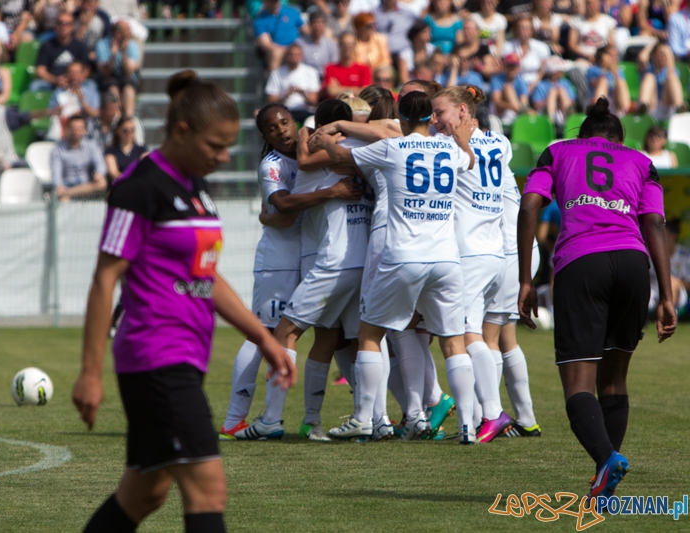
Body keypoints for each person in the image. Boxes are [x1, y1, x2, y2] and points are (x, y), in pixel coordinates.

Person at [72, 80, 295, 533]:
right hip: (156, 357)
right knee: (207, 490)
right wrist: (90, 373)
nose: (224, 156)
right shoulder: (138, 188)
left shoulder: (197, 188)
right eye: (215, 145)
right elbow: (104, 280)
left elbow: (206, 276)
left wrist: (263, 339)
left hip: (186, 357)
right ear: (181, 132)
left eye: (229, 146)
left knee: (145, 492)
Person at [517, 97, 676, 499]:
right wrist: (667, 295)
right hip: (633, 264)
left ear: (583, 135)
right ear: (618, 140)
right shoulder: (641, 161)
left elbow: (530, 205)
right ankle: (605, 478)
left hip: (581, 262)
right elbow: (654, 222)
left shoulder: (557, 151)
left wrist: (526, 280)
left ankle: (606, 459)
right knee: (615, 378)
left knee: (578, 383)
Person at [316, 90, 478, 442]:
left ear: (401, 118)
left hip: (403, 256)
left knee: (369, 335)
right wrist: (463, 142)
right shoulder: (449, 149)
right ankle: (468, 427)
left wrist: (325, 141)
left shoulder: (393, 147)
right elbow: (470, 162)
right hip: (446, 259)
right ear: (430, 118)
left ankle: (364, 418)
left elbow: (342, 157)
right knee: (454, 342)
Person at [219, 102, 361, 441]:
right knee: (266, 332)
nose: (281, 130)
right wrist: (331, 192)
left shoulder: (313, 150)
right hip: (280, 259)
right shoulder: (272, 164)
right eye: (272, 128)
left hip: (315, 254)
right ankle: (234, 420)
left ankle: (363, 414)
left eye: (284, 122)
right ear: (265, 136)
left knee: (337, 335)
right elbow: (281, 208)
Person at [431, 85, 514, 443]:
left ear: (462, 111)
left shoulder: (450, 148)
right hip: (494, 252)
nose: (434, 120)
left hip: (470, 253)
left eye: (440, 113)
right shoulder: (501, 143)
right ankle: (484, 416)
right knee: (475, 335)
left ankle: (492, 413)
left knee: (465, 337)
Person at [474, 103, 541, 438]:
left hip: (508, 250)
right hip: (523, 249)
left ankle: (491, 416)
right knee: (505, 336)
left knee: (487, 336)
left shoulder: (470, 150)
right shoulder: (497, 146)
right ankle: (526, 419)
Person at [50, 115, 107, 201]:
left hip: (87, 186)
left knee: (102, 183)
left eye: (79, 128)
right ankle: (67, 193)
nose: (76, 131)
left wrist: (99, 173)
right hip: (67, 185)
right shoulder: (57, 149)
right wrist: (59, 186)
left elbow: (100, 163)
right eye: (73, 128)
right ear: (67, 129)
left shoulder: (91, 146)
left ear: (84, 130)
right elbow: (56, 173)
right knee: (64, 200)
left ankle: (69, 192)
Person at [32, 10, 90, 91]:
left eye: (67, 24)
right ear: (56, 25)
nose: (63, 26)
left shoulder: (80, 46)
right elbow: (40, 70)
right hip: (52, 82)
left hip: (76, 82)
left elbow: (86, 69)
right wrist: (55, 80)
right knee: (35, 86)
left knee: (92, 86)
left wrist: (75, 80)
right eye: (60, 23)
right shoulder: (47, 45)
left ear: (72, 27)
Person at [264, 43, 320, 122]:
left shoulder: (311, 72)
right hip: (284, 112)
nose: (294, 58)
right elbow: (270, 101)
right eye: (291, 55)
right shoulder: (276, 74)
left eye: (297, 55)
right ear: (287, 56)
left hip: (306, 112)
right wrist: (286, 95)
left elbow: (314, 101)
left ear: (302, 56)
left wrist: (302, 93)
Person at [96, 19, 140, 117]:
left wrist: (124, 53)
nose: (130, 32)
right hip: (108, 78)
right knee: (112, 88)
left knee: (128, 87)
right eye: (127, 30)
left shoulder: (133, 45)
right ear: (117, 33)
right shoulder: (102, 44)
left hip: (126, 78)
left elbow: (129, 71)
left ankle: (128, 117)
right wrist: (113, 55)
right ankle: (116, 117)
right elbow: (105, 72)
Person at [253, 0, 307, 73]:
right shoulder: (260, 20)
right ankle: (274, 79)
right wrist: (287, 50)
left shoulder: (292, 12)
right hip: (278, 51)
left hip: (297, 47)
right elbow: (266, 44)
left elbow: (306, 29)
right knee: (276, 53)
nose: (274, 2)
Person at [636, 42, 683, 122]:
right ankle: (643, 106)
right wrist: (653, 44)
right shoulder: (647, 69)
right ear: (653, 55)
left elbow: (671, 74)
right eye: (660, 54)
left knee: (671, 78)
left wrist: (670, 60)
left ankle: (680, 108)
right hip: (651, 106)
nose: (663, 57)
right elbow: (641, 58)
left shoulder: (671, 71)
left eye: (666, 54)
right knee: (649, 77)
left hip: (666, 105)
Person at [322, 32, 372, 98]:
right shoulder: (330, 68)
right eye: (344, 44)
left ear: (355, 47)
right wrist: (356, 89)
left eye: (351, 45)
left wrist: (338, 88)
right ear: (339, 46)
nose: (347, 47)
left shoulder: (364, 69)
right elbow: (331, 91)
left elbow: (365, 93)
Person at [586, 45, 630, 116]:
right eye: (612, 56)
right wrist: (604, 70)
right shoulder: (593, 69)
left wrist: (614, 72)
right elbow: (593, 83)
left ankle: (627, 110)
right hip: (598, 100)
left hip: (615, 102)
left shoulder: (618, 71)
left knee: (621, 82)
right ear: (603, 56)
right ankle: (599, 109)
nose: (615, 58)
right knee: (603, 81)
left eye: (615, 56)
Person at [295, 11, 339, 80]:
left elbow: (334, 65)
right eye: (314, 23)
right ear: (309, 25)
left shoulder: (331, 44)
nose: (317, 26)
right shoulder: (300, 43)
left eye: (320, 23)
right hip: (305, 78)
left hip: (324, 78)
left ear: (324, 25)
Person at [489, 52, 529, 125]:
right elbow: (497, 101)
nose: (512, 69)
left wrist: (518, 107)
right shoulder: (496, 79)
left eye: (514, 66)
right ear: (505, 67)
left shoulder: (521, 81)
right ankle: (521, 116)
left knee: (531, 112)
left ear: (518, 67)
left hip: (515, 111)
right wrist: (512, 107)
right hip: (498, 112)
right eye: (509, 66)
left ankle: (521, 116)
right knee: (508, 87)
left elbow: (524, 101)